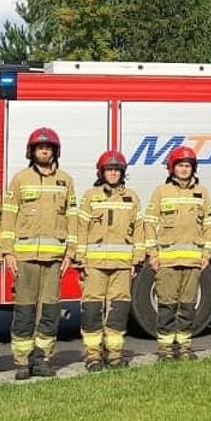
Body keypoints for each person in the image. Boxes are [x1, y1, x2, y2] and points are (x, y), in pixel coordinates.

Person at [0, 127, 75, 378]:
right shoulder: (20, 180)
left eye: (49, 147)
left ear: (55, 151)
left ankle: (43, 360)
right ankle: (22, 362)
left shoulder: (65, 181)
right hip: (25, 260)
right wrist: (8, 253)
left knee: (49, 312)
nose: (44, 150)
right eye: (40, 147)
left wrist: (70, 253)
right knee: (24, 312)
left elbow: (71, 219)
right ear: (32, 152)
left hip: (53, 261)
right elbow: (8, 217)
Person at [141, 146, 211, 360]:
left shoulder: (202, 193)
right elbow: (149, 224)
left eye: (187, 166)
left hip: (193, 262)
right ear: (172, 168)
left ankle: (184, 348)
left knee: (188, 307)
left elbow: (209, 225)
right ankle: (165, 350)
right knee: (166, 306)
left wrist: (207, 254)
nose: (184, 169)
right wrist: (152, 254)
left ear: (193, 168)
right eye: (180, 165)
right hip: (167, 262)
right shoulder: (161, 192)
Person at [73, 150, 140, 371]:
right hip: (94, 266)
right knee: (92, 310)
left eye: (117, 170)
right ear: (101, 172)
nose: (113, 173)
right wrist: (79, 259)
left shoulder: (132, 198)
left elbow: (140, 231)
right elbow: (80, 229)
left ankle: (114, 354)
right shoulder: (90, 196)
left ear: (123, 173)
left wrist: (136, 261)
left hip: (121, 266)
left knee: (118, 310)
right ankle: (93, 355)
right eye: (109, 169)